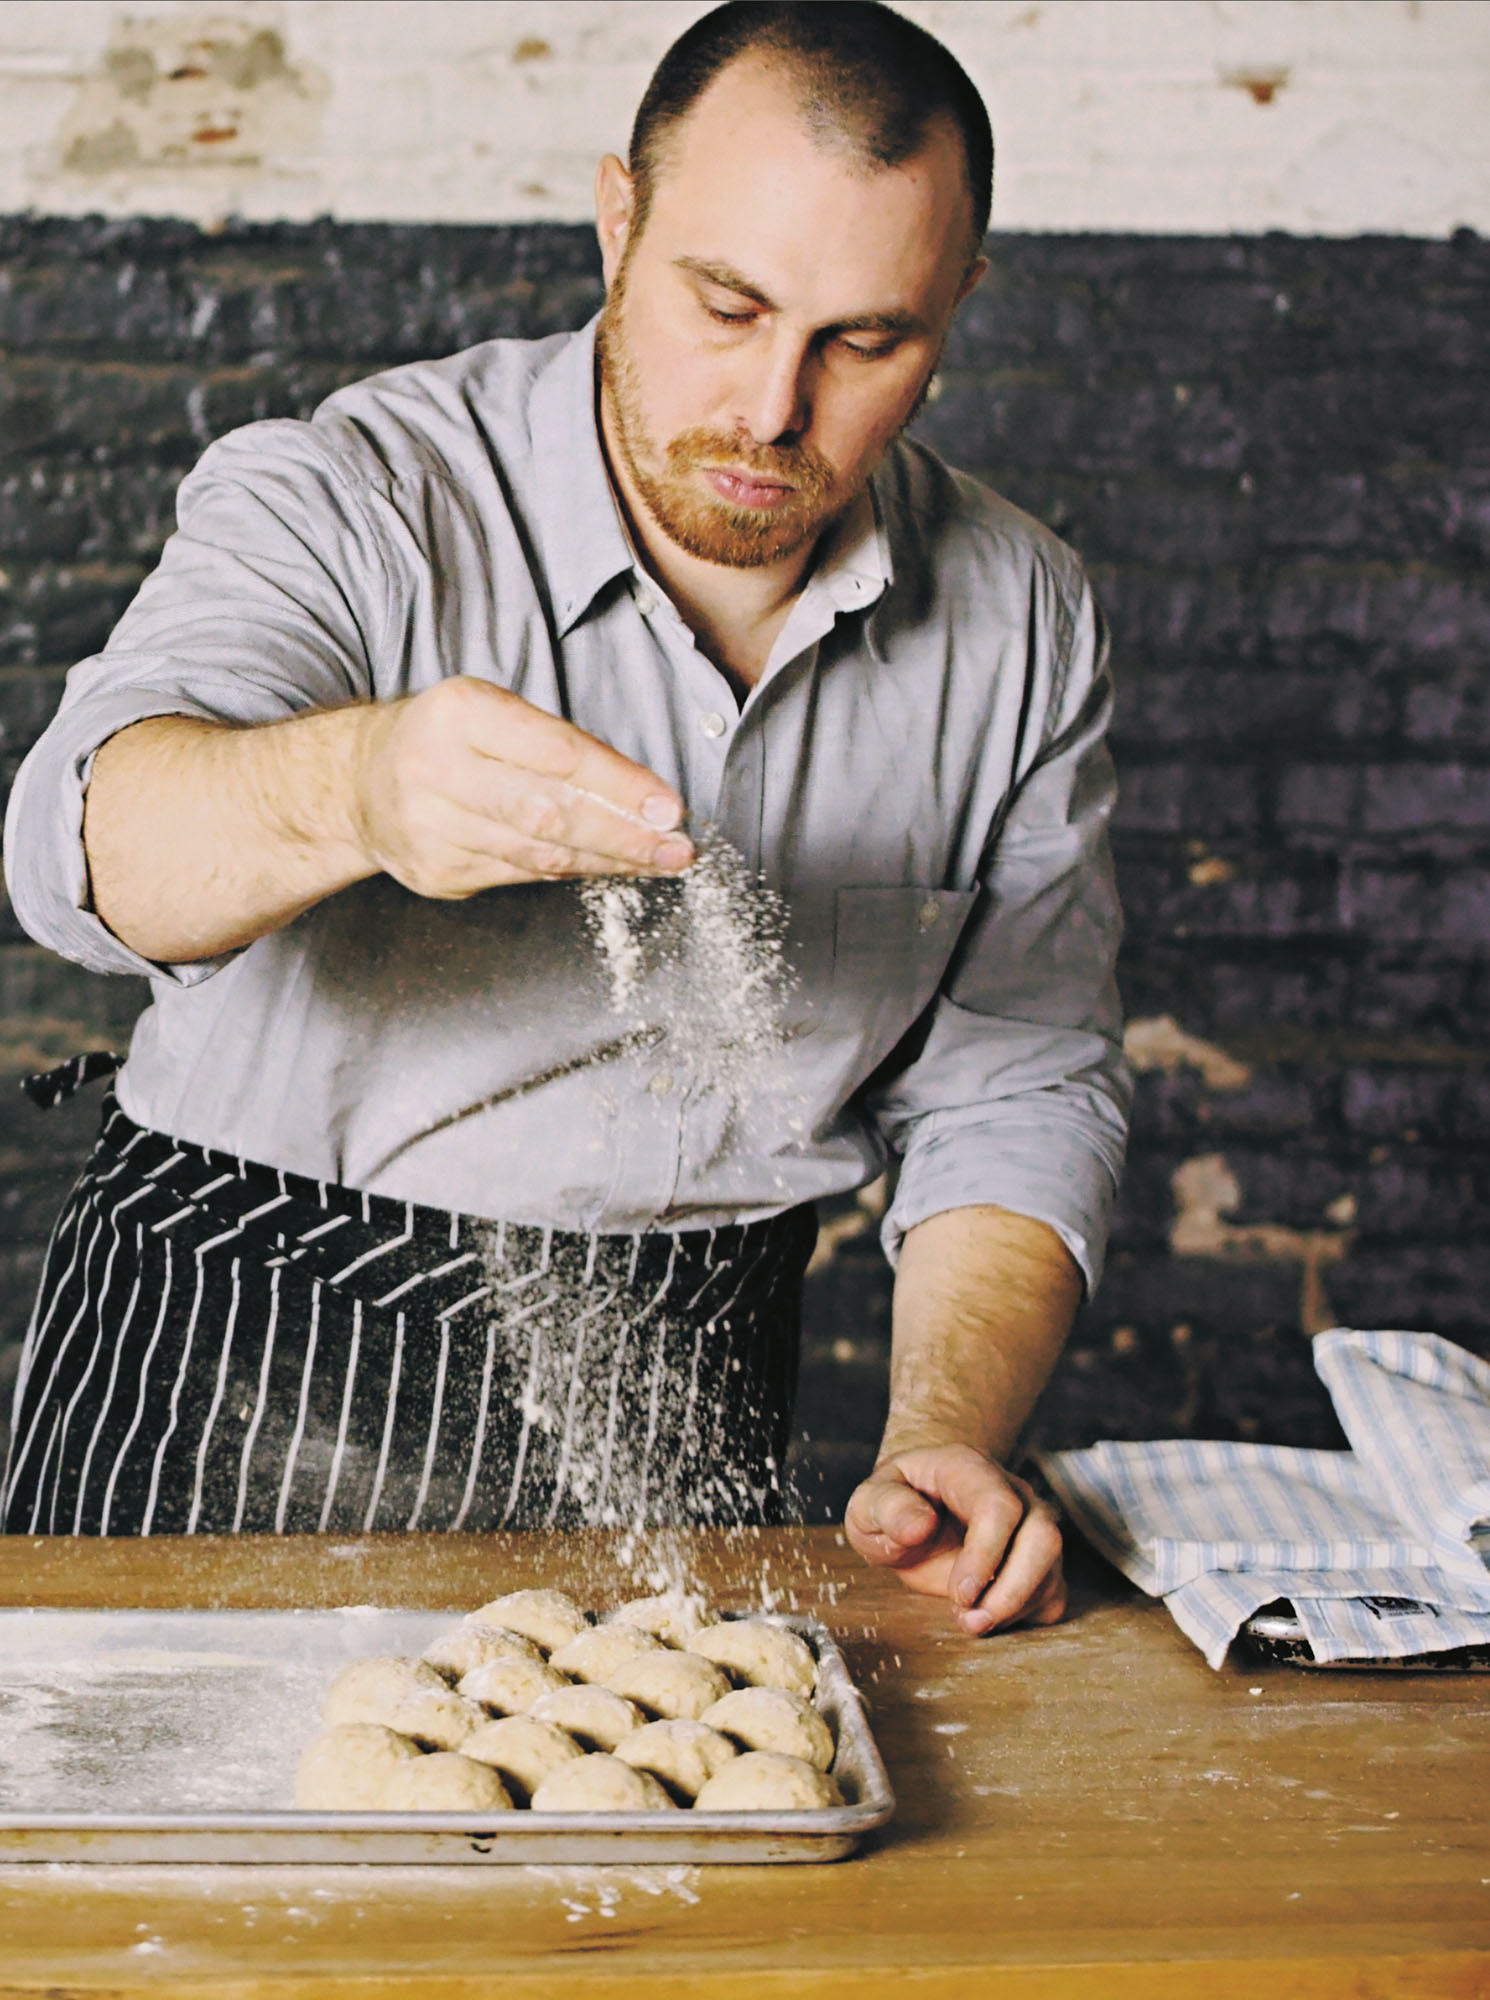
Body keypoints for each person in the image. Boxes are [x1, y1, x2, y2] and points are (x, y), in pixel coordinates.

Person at [1, 0, 1128, 1634]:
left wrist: (942, 1436)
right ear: (620, 219)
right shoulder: (358, 495)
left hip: (690, 1393)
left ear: (956, 303)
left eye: (863, 341)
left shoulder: (1019, 620)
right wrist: (354, 786)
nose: (768, 404)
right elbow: (78, 849)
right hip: (245, 1380)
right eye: (724, 303)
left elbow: (1018, 1083)